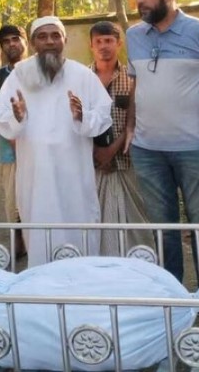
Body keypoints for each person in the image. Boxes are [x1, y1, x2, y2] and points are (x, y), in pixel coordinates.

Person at [125, 0, 199, 282]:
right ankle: (173, 295)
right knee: (163, 228)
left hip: (194, 148)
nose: (140, 0)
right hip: (147, 150)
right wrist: (130, 129)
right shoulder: (133, 35)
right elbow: (135, 86)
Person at [0, 16, 112, 267]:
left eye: (55, 35)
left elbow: (103, 115)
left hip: (74, 172)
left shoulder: (83, 75)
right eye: (42, 36)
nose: (49, 42)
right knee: (40, 227)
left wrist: (83, 116)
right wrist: (17, 117)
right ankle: (42, 288)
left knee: (78, 223)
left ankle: (82, 287)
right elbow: (0, 117)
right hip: (36, 174)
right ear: (34, 42)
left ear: (64, 40)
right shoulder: (19, 76)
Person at [88, 21, 153, 255]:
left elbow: (136, 120)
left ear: (119, 44)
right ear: (91, 45)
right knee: (92, 222)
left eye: (109, 41)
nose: (104, 46)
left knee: (135, 224)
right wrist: (97, 153)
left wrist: (110, 151)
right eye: (99, 42)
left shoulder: (133, 78)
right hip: (91, 167)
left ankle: (140, 267)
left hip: (128, 163)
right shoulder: (82, 79)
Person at [0, 25, 27, 258]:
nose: (12, 44)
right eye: (6, 41)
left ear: (25, 42)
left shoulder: (39, 70)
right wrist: (14, 137)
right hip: (10, 149)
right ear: (1, 47)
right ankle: (18, 241)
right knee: (14, 198)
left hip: (40, 147)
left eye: (16, 39)